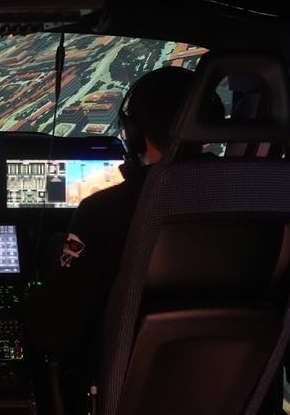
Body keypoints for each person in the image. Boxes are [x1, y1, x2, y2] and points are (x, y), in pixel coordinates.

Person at [27, 66, 220, 360]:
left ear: (134, 134)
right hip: (235, 373)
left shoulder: (103, 210)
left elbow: (57, 332)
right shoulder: (258, 201)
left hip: (125, 375)